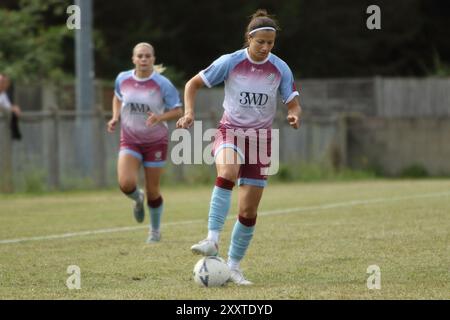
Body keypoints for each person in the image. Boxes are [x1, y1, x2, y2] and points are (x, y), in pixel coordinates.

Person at [176, 9, 302, 285]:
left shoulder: (280, 68)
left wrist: (294, 114)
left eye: (270, 43)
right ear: (249, 38)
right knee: (228, 172)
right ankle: (211, 239)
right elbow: (192, 84)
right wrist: (188, 112)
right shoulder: (230, 61)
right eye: (261, 42)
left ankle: (233, 267)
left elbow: (292, 101)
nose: (266, 47)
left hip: (261, 139)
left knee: (248, 212)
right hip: (229, 132)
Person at [108, 42, 183, 243]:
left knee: (153, 190)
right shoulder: (122, 79)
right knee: (126, 184)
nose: (143, 59)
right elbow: (117, 98)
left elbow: (178, 110)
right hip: (130, 140)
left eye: (147, 56)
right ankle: (137, 198)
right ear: (133, 59)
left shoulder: (162, 84)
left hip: (155, 142)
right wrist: (115, 117)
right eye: (139, 56)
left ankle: (155, 231)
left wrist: (159, 117)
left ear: (153, 59)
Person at [0, 74, 22, 140]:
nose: (6, 85)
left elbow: (7, 107)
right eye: (4, 82)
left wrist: (14, 108)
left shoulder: (3, 94)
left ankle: (15, 133)